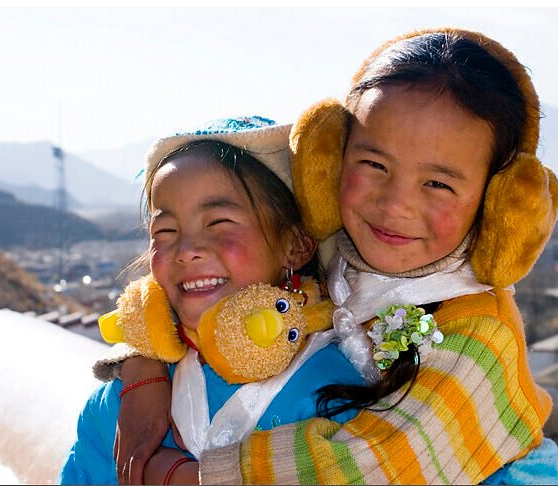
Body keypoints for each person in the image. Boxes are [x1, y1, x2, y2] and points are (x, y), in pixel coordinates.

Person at [99, 28, 558, 485]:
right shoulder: (334, 250)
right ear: (329, 156)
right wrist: (145, 368)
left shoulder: (479, 334)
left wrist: (189, 477)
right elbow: (178, 284)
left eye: (437, 184)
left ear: (502, 202)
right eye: (373, 165)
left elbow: (367, 469)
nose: (394, 204)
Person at [58, 116, 365, 485]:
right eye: (165, 231)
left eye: (218, 223)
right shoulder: (117, 407)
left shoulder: (338, 394)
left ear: (295, 245)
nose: (186, 250)